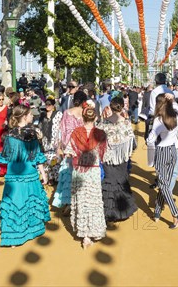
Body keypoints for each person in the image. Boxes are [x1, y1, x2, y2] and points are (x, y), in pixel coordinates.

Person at [0, 105, 51, 247]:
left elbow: (6, 156)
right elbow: (37, 156)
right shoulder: (32, 134)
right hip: (29, 173)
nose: (32, 116)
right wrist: (43, 173)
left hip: (13, 173)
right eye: (30, 114)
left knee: (15, 202)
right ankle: (32, 230)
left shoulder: (9, 135)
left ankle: (13, 236)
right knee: (30, 200)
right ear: (24, 116)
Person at [66, 106, 107, 248]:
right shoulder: (101, 134)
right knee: (94, 201)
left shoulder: (76, 133)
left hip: (80, 171)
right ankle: (93, 231)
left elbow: (69, 152)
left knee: (82, 200)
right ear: (95, 118)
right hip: (93, 171)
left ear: (83, 118)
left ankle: (85, 236)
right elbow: (104, 154)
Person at [146, 95, 178, 229]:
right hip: (173, 151)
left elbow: (150, 139)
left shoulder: (158, 120)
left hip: (162, 152)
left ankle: (177, 214)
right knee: (165, 185)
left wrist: (150, 155)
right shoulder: (175, 115)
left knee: (163, 185)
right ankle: (157, 213)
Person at [97, 97, 137, 222]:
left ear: (111, 106)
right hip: (122, 158)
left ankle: (109, 212)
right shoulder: (126, 123)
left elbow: (96, 141)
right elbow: (133, 144)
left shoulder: (103, 124)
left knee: (109, 182)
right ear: (121, 107)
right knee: (121, 181)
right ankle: (123, 211)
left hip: (108, 158)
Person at [52, 90, 88, 211]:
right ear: (84, 102)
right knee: (80, 174)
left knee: (68, 173)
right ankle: (78, 200)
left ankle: (68, 202)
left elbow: (61, 130)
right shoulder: (85, 113)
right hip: (81, 147)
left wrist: (59, 146)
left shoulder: (67, 112)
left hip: (68, 147)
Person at [38, 97, 63, 183]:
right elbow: (39, 127)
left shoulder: (58, 114)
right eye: (46, 104)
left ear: (53, 105)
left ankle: (55, 177)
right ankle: (48, 177)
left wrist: (60, 140)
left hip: (55, 139)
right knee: (46, 158)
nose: (48, 106)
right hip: (45, 140)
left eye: (50, 104)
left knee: (55, 158)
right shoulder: (42, 115)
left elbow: (61, 127)